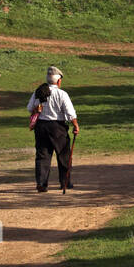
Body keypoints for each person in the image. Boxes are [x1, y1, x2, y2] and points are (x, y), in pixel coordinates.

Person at [27, 65, 79, 193]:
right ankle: (65, 182)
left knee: (42, 155)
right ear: (59, 80)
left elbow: (29, 108)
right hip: (57, 128)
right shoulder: (62, 94)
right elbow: (70, 113)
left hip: (41, 126)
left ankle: (41, 183)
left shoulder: (38, 92)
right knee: (63, 155)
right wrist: (75, 125)